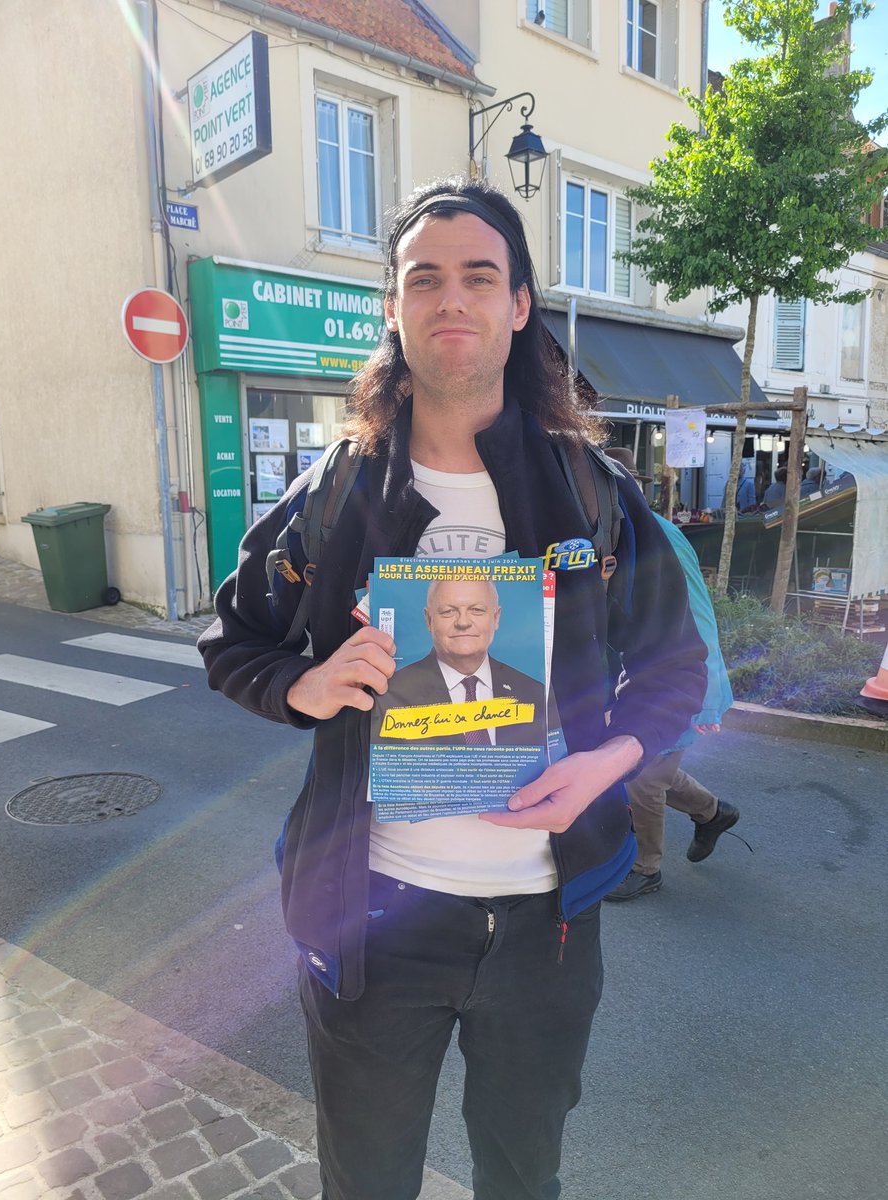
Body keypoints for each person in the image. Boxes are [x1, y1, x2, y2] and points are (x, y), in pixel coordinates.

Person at [198, 176, 707, 1200]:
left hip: (545, 930)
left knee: (523, 1177)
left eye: (481, 276)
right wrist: (304, 686)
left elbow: (674, 673)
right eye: (423, 278)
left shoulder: (593, 494)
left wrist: (606, 762)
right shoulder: (335, 492)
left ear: (520, 305)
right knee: (369, 1179)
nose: (452, 300)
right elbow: (234, 638)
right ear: (394, 306)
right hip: (373, 918)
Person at [602, 447, 738, 901]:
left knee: (641, 777)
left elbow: (681, 620)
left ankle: (646, 868)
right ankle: (713, 813)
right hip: (676, 672)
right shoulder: (647, 529)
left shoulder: (643, 536)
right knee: (656, 765)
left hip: (683, 675)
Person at [372, 577, 547, 747]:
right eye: (448, 611)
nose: (463, 622)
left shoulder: (534, 692)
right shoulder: (389, 695)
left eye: (477, 610)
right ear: (428, 620)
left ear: (496, 618)